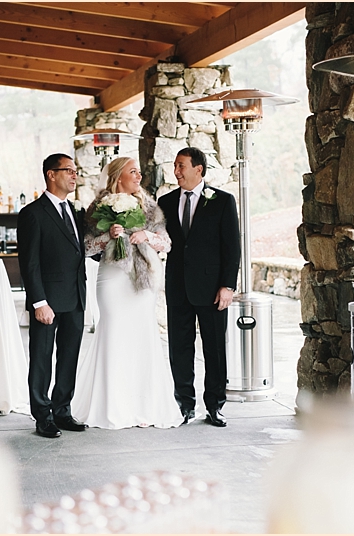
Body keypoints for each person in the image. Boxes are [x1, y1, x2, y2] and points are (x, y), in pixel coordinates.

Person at [72, 157, 184, 429]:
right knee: (113, 332)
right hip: (112, 280)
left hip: (142, 280)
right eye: (132, 171)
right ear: (117, 176)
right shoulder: (98, 207)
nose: (138, 177)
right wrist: (109, 235)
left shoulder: (150, 207)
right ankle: (111, 405)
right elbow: (86, 247)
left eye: (139, 172)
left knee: (141, 335)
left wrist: (147, 236)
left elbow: (166, 243)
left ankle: (143, 405)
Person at [158, 147, 241, 427]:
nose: (177, 171)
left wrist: (227, 286)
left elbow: (232, 248)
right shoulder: (165, 202)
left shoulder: (222, 201)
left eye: (181, 166)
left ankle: (215, 405)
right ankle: (184, 405)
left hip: (212, 289)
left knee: (215, 349)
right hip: (178, 287)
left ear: (199, 170)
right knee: (180, 348)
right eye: (175, 166)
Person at [17, 153, 88, 438]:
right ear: (51, 174)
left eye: (75, 171)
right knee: (42, 357)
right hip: (47, 300)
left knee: (69, 356)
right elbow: (29, 262)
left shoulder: (76, 211)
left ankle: (62, 410)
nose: (74, 176)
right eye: (69, 170)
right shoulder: (32, 214)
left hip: (75, 297)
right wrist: (39, 302)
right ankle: (42, 415)